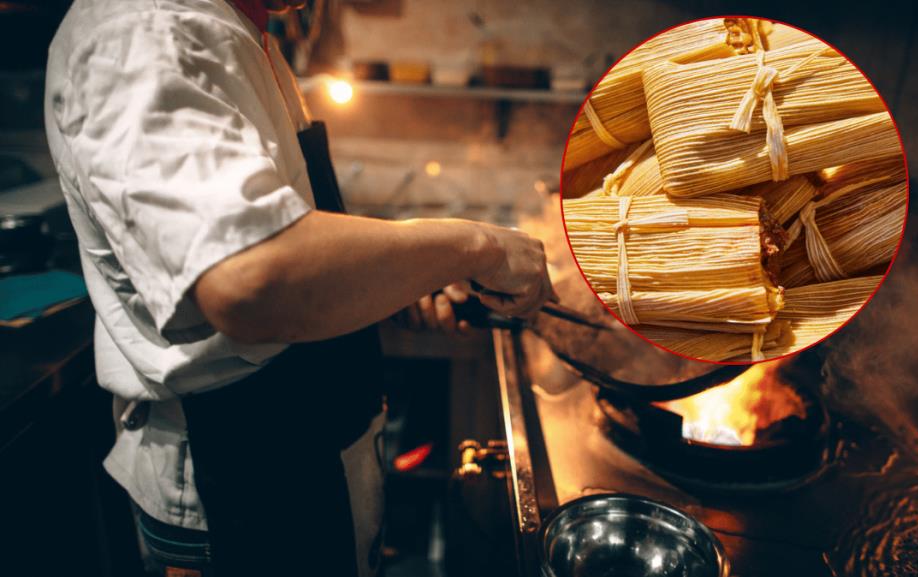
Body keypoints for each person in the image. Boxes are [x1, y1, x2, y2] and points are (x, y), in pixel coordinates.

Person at [43, 0, 554, 575]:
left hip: (305, 448)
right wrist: (474, 245)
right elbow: (251, 277)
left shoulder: (238, 28)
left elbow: (285, 249)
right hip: (237, 477)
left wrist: (391, 287)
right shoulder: (145, 28)